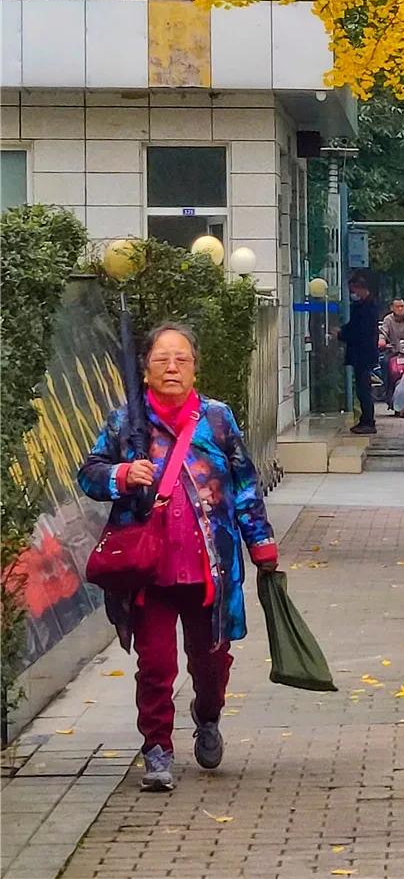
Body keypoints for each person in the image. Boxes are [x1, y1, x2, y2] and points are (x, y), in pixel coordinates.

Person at [78, 323, 278, 793]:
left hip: (210, 570)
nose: (172, 367)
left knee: (211, 664)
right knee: (156, 665)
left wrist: (261, 542)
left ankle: (207, 716)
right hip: (148, 571)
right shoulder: (125, 423)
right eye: (162, 359)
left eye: (181, 359)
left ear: (194, 368)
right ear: (145, 369)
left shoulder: (217, 419)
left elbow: (245, 485)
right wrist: (122, 475)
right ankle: (157, 749)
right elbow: (89, 473)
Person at [339, 273, 380, 434]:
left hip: (364, 354)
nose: (353, 294)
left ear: (360, 288)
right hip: (361, 354)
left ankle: (368, 421)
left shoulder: (368, 308)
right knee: (362, 388)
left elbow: (360, 331)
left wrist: (342, 334)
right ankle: (365, 419)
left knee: (364, 389)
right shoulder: (363, 306)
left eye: (353, 290)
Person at [380, 298, 404, 408]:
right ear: (392, 308)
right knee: (384, 363)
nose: (400, 309)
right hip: (393, 352)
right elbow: (383, 333)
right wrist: (382, 341)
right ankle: (387, 392)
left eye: (402, 306)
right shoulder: (388, 320)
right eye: (397, 306)